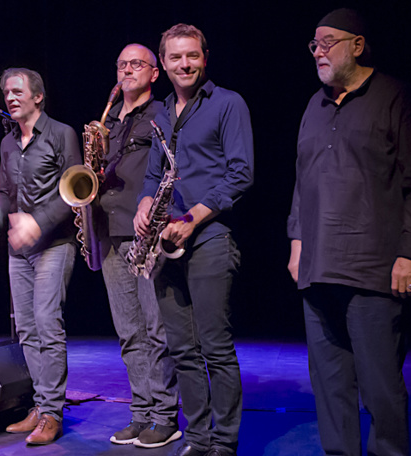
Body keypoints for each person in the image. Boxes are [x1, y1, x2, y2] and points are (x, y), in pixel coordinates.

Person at [287, 8, 411, 456]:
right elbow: (302, 182)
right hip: (317, 268)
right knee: (330, 387)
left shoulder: (392, 96)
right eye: (314, 44)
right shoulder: (313, 105)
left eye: (328, 41)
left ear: (358, 44)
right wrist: (296, 242)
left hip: (373, 269)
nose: (319, 51)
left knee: (381, 388)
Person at [134, 24, 254, 456]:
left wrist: (192, 218)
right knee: (182, 349)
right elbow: (152, 173)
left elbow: (241, 174)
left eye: (193, 56)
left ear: (205, 57)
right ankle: (199, 439)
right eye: (175, 58)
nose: (185, 64)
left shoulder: (228, 104)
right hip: (166, 242)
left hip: (209, 238)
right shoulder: (161, 113)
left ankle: (224, 442)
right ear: (162, 64)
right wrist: (145, 202)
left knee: (215, 348)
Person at [0, 68, 80, 445]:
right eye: (6, 92)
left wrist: (38, 222)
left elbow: (74, 193)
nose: (10, 97)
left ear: (38, 97)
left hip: (55, 244)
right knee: (28, 330)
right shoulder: (7, 143)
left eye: (18, 91)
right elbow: (5, 194)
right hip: (19, 251)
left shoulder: (62, 134)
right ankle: (40, 404)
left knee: (48, 324)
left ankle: (52, 413)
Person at [96, 43, 180, 448]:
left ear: (154, 73)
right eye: (122, 63)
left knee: (156, 328)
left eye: (137, 64)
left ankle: (165, 416)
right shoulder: (109, 118)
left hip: (147, 233)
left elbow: (169, 167)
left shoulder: (162, 112)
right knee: (129, 331)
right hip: (110, 231)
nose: (128, 70)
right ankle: (141, 413)